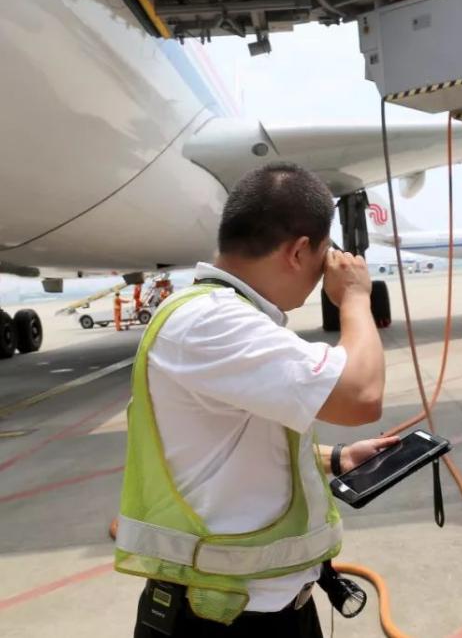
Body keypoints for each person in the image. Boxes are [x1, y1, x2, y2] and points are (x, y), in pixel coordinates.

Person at [114, 162, 394, 637]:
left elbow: (230, 446)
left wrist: (337, 458)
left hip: (263, 605)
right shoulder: (211, 321)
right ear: (299, 251)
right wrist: (354, 297)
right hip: (220, 617)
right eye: (322, 256)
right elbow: (361, 396)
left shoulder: (223, 318)